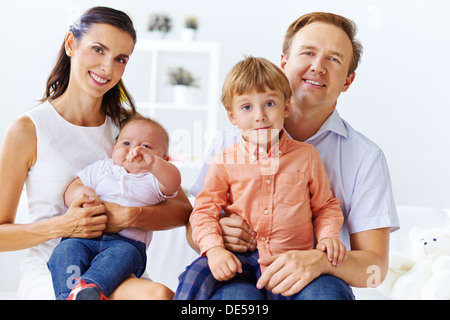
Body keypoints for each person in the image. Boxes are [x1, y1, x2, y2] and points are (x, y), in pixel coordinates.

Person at [186, 12, 399, 299]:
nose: (318, 67)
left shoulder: (365, 158)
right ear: (284, 63)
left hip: (316, 283)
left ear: (348, 81)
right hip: (240, 271)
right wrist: (217, 238)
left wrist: (321, 260)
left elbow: (375, 269)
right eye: (308, 52)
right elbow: (196, 222)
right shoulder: (227, 144)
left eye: (334, 59)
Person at [0, 7, 191, 300]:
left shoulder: (130, 129)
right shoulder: (28, 129)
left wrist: (130, 216)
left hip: (117, 262)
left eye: (120, 59)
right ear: (70, 44)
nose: (107, 67)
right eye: (98, 49)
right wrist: (63, 226)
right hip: (56, 266)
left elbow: (181, 210)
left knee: (160, 296)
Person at [175, 57, 348, 300]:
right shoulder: (224, 160)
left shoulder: (307, 156)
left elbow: (326, 206)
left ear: (286, 107)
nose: (260, 116)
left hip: (290, 262)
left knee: (325, 292)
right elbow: (204, 211)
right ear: (232, 116)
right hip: (241, 259)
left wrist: (329, 237)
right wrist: (214, 250)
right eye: (247, 107)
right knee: (194, 274)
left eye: (269, 103)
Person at [48, 116, 181, 300]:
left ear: (164, 159)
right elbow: (73, 187)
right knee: (65, 251)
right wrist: (82, 195)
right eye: (126, 142)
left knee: (123, 256)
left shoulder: (154, 180)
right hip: (84, 236)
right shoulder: (102, 168)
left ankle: (91, 288)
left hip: (126, 244)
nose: (134, 150)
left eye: (147, 147)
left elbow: (173, 182)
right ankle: (69, 296)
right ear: (114, 147)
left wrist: (153, 164)